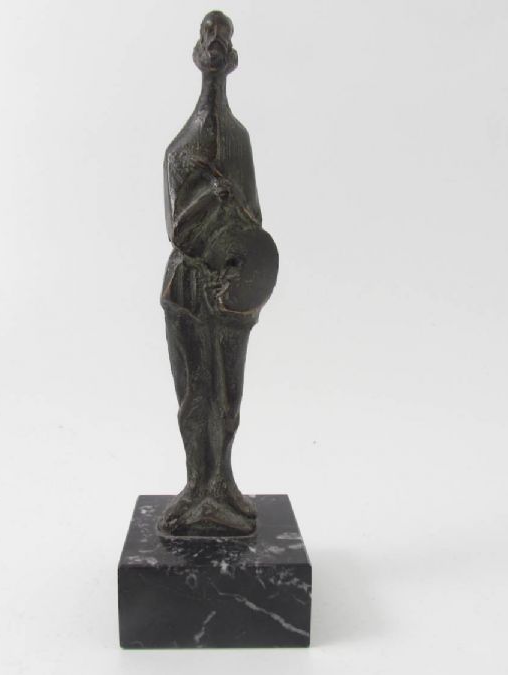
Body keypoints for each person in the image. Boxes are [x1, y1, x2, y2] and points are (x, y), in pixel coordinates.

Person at [158, 11, 278, 536]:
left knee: (228, 394)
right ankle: (195, 489)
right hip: (189, 286)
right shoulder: (180, 150)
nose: (213, 46)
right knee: (195, 394)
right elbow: (177, 228)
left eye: (221, 38)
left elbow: (254, 216)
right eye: (207, 36)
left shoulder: (239, 141)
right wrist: (211, 199)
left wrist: (237, 223)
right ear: (197, 54)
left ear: (231, 59)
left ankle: (222, 484)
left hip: (231, 287)